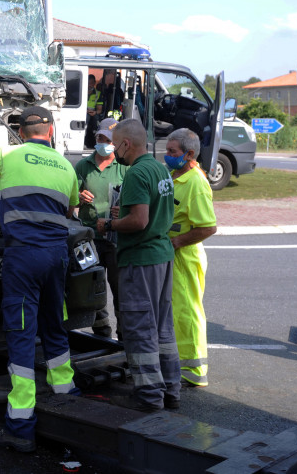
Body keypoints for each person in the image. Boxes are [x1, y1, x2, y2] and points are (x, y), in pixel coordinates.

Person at [0, 106, 80, 452]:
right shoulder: (65, 165)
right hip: (56, 256)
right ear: (51, 130)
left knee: (21, 332)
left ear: (20, 130)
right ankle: (66, 393)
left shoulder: (8, 153)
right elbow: (70, 209)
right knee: (54, 322)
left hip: (23, 255)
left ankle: (20, 425)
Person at [96, 119, 180, 412]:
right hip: (161, 256)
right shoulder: (159, 169)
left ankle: (149, 396)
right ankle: (171, 390)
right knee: (162, 328)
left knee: (140, 329)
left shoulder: (136, 173)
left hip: (141, 260)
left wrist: (108, 223)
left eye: (114, 142)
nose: (112, 147)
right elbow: (151, 211)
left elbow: (139, 221)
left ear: (125, 144)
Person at [165, 128, 217, 387]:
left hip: (185, 257)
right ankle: (180, 364)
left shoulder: (195, 182)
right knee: (177, 312)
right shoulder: (177, 176)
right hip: (175, 256)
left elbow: (207, 227)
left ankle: (195, 372)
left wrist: (175, 242)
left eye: (172, 152)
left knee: (188, 313)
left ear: (189, 153)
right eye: (167, 151)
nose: (168, 156)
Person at [74, 117, 127, 339]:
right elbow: (71, 201)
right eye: (99, 137)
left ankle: (124, 333)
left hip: (115, 237)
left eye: (107, 139)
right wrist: (78, 196)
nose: (102, 142)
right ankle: (101, 330)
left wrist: (122, 209)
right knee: (94, 286)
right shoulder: (83, 166)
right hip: (90, 236)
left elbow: (135, 200)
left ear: (116, 142)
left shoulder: (125, 166)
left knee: (120, 288)